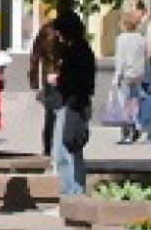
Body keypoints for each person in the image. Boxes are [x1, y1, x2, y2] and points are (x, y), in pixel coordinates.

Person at [51, 10, 95, 197]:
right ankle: (72, 191)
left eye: (59, 32)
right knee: (68, 150)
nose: (58, 36)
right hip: (76, 103)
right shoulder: (82, 49)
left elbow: (75, 80)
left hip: (72, 104)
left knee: (66, 152)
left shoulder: (76, 51)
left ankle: (73, 193)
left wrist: (58, 80)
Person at [27, 10, 62, 157]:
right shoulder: (69, 31)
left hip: (49, 77)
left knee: (50, 115)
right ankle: (60, 148)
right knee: (64, 114)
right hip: (66, 77)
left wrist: (34, 81)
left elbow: (35, 56)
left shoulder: (45, 30)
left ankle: (48, 149)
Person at [113, 10, 149, 144]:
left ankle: (127, 133)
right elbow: (144, 57)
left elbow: (120, 60)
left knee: (124, 104)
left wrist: (117, 77)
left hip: (126, 75)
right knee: (134, 102)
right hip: (138, 74)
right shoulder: (141, 38)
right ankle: (136, 125)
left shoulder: (121, 39)